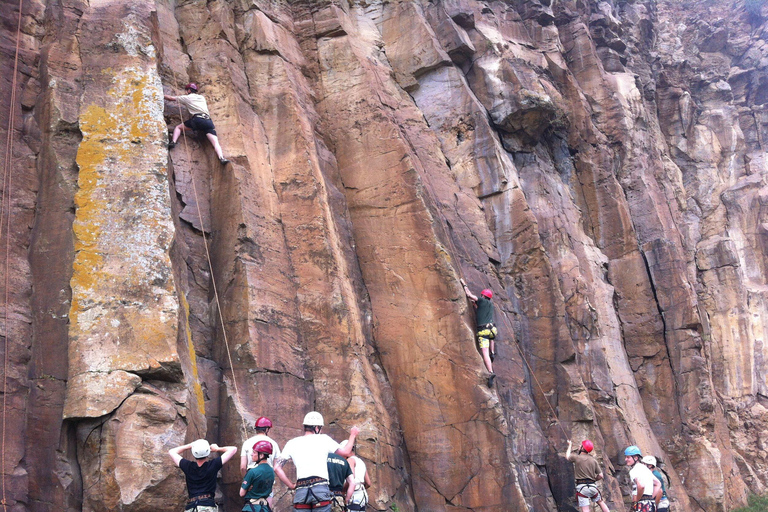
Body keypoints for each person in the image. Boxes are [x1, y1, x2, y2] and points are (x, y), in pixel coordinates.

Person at [274, 411, 360, 512]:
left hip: (301, 490)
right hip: (320, 488)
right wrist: (353, 435)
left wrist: (291, 485)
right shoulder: (324, 439)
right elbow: (346, 452)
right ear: (316, 427)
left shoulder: (292, 443)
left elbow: (276, 467)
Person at [164, 83, 229, 165]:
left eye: (186, 91)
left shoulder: (187, 98)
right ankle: (221, 158)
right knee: (216, 142)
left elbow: (171, 98)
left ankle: (173, 142)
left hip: (197, 119)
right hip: (208, 122)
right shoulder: (202, 97)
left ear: (189, 90)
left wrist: (160, 95)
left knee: (178, 127)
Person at [169, 439, 238, 512]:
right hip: (207, 506)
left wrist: (189, 446)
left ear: (193, 452)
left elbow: (172, 452)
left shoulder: (187, 466)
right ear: (208, 452)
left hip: (191, 507)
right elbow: (233, 449)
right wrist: (217, 449)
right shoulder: (213, 465)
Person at [460, 278, 497, 387]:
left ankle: (490, 372)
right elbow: (480, 309)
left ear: (483, 296)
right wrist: (475, 305)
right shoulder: (490, 305)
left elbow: (469, 295)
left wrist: (464, 284)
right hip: (492, 330)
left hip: (484, 330)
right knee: (491, 339)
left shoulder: (481, 300)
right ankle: (493, 352)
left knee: (484, 352)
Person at [241, 417, 281, 508]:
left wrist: (247, 482)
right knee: (266, 508)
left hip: (251, 481)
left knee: (250, 507)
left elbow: (243, 467)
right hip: (267, 483)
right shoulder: (274, 444)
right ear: (267, 429)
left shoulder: (247, 443)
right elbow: (277, 466)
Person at [565, 439, 611, 512]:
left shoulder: (577, 457)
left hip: (582, 488)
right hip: (593, 487)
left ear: (583, 448)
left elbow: (567, 456)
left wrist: (570, 445)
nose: (579, 446)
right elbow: (601, 475)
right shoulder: (593, 460)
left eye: (581, 445)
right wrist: (593, 480)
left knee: (585, 509)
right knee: (601, 502)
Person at [240, 440, 275, 512]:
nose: (251, 454)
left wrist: (248, 487)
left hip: (251, 508)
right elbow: (270, 490)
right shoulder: (272, 471)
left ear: (261, 455)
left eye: (254, 452)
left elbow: (241, 493)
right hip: (265, 508)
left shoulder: (252, 472)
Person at [624, 446, 662, 512]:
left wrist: (637, 500)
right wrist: (651, 497)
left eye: (628, 457)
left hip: (641, 505)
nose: (625, 459)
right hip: (650, 504)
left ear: (635, 458)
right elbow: (658, 484)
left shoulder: (634, 471)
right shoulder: (645, 469)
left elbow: (641, 486)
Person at [340, 440, 371, 512]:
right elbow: (368, 483)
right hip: (363, 496)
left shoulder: (350, 460)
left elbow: (351, 479)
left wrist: (343, 491)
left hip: (354, 496)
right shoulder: (361, 461)